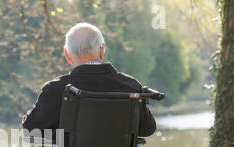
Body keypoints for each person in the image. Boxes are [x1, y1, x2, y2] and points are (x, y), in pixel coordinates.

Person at [22, 22, 156, 137]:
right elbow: (147, 129)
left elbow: (30, 130)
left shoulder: (56, 89)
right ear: (102, 50)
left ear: (67, 55)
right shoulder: (130, 86)